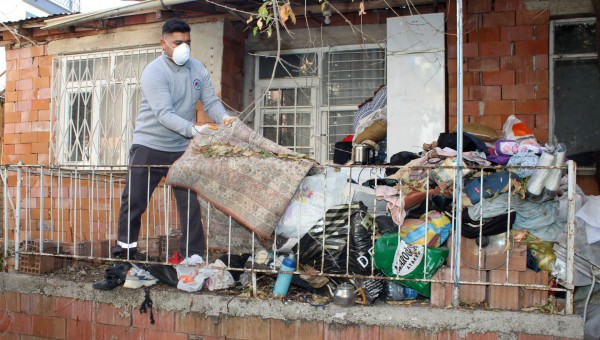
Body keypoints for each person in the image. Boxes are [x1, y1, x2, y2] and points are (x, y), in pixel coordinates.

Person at [112, 18, 235, 260]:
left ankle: (193, 256)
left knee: (190, 202)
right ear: (163, 43)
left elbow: (210, 102)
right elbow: (164, 114)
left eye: (188, 42)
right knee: (134, 201)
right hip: (149, 146)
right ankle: (124, 254)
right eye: (178, 42)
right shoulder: (154, 72)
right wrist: (195, 130)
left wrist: (225, 119)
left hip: (181, 148)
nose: (184, 48)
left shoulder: (198, 69)